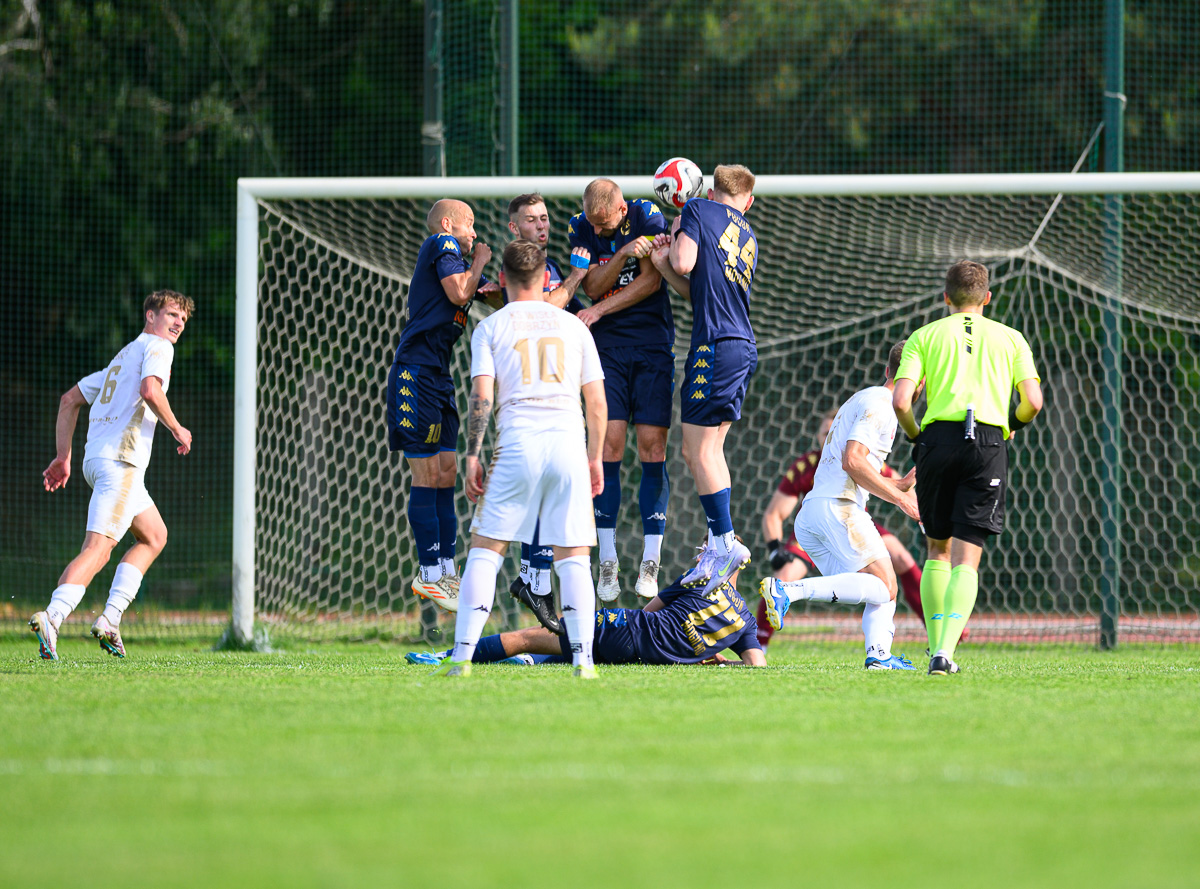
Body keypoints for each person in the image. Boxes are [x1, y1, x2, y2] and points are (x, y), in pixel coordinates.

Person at [435, 239, 607, 678]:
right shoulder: (575, 327)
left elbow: (481, 396)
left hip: (516, 447)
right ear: (546, 277)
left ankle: (461, 660)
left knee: (486, 551)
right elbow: (597, 403)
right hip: (568, 445)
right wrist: (594, 458)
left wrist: (472, 455)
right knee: (573, 557)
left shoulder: (491, 327)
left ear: (503, 279)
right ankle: (584, 663)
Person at [892, 260, 1042, 675]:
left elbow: (901, 401)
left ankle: (934, 645)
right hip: (988, 442)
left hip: (936, 440)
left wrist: (915, 435)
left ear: (946, 297)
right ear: (987, 298)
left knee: (936, 549)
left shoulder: (924, 336)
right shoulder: (1011, 338)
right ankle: (945, 653)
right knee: (967, 559)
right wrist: (1011, 426)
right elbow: (1033, 402)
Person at [30, 290, 195, 660]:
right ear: (150, 316)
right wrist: (177, 428)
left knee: (154, 536)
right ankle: (52, 617)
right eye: (172, 314)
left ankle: (110, 619)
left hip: (98, 461)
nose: (179, 323)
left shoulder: (123, 357)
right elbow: (150, 389)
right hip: (121, 462)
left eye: (183, 319)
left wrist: (63, 458)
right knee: (98, 550)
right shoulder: (158, 348)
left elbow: (69, 399)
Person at [760, 342, 923, 671]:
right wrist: (901, 499)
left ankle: (879, 655)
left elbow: (853, 466)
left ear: (888, 370)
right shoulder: (882, 405)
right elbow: (853, 461)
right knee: (886, 584)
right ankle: (787, 590)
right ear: (917, 381)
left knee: (879, 588)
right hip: (839, 508)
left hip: (816, 513)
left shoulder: (864, 398)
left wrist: (899, 485)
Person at [650, 164, 758, 594]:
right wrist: (664, 266)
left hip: (713, 346)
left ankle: (725, 543)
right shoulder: (748, 233)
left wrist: (676, 234)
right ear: (748, 201)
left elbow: (684, 261)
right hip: (741, 347)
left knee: (696, 451)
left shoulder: (697, 209)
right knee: (708, 451)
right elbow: (697, 289)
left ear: (711, 192)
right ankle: (718, 546)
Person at [568, 178, 673, 602]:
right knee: (607, 446)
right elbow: (591, 285)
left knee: (652, 447)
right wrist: (625, 251)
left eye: (606, 225)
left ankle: (652, 558)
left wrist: (599, 309)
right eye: (594, 225)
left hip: (651, 345)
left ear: (622, 209)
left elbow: (651, 282)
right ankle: (607, 560)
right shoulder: (581, 225)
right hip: (606, 350)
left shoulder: (648, 215)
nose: (598, 231)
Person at [387, 199, 491, 613]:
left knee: (447, 473)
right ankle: (429, 572)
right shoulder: (441, 243)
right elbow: (462, 291)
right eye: (470, 224)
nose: (474, 234)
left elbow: (481, 291)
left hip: (438, 376)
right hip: (415, 374)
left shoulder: (457, 262)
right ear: (448, 224)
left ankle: (447, 569)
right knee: (428, 475)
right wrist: (480, 260)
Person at [409, 558, 764, 668]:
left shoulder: (697, 580)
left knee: (529, 636)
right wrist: (715, 659)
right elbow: (756, 667)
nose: (703, 555)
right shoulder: (746, 620)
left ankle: (446, 656)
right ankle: (528, 662)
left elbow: (649, 610)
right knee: (575, 649)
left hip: (628, 630)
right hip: (643, 658)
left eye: (710, 551)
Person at [502, 194, 591, 629]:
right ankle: (534, 582)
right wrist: (577, 275)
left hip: (554, 390)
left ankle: (534, 581)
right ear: (514, 228)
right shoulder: (520, 269)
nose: (541, 226)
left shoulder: (548, 266)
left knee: (550, 492)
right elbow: (544, 308)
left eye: (544, 219)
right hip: (530, 396)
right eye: (531, 220)